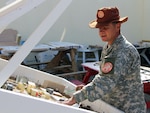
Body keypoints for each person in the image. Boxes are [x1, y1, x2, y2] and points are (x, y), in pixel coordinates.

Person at [62, 7, 146, 113]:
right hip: (114, 106)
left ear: (118, 26)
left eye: (105, 27)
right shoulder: (109, 47)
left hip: (127, 108)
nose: (101, 31)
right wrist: (87, 88)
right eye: (99, 28)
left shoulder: (122, 50)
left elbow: (105, 83)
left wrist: (76, 98)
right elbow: (103, 76)